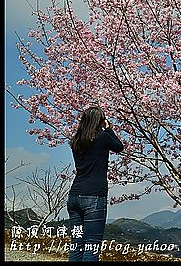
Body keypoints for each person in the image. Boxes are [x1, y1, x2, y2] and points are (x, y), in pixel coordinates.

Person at [67, 106, 124, 261]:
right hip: (93, 198)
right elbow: (119, 147)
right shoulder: (103, 137)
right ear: (100, 120)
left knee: (76, 244)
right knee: (91, 246)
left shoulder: (76, 141)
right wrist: (109, 128)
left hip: (74, 198)